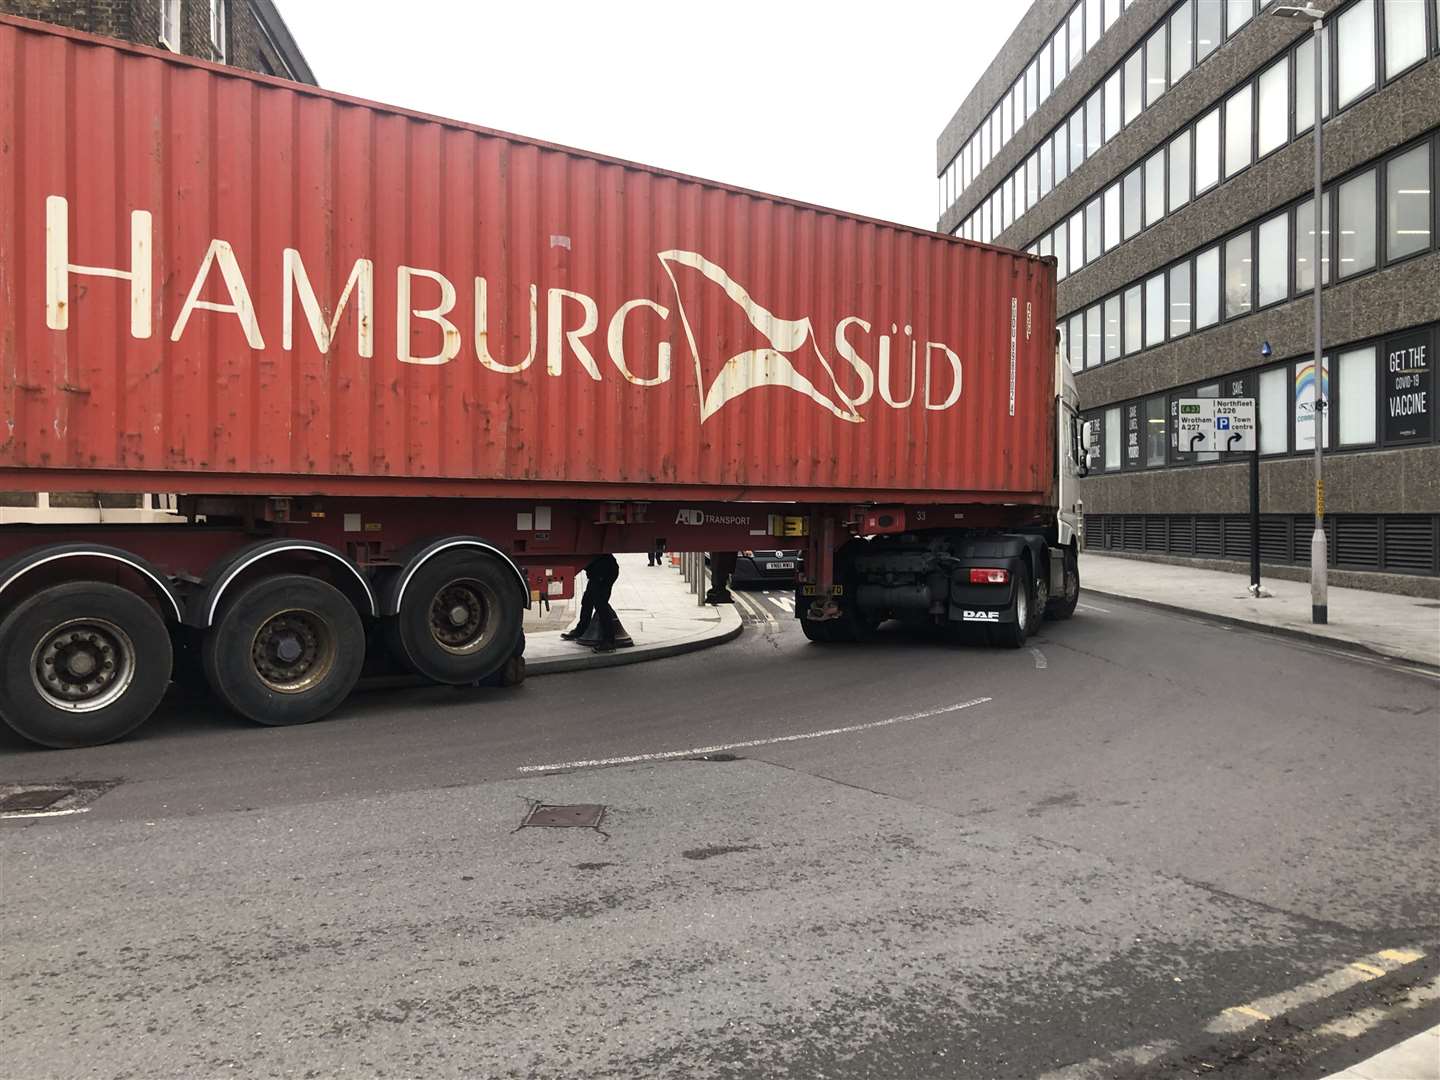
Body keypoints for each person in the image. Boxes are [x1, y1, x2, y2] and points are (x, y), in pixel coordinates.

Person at [561, 553, 621, 652]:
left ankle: (609, 641)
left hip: (604, 571)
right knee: (587, 600)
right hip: (598, 571)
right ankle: (581, 630)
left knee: (601, 605)